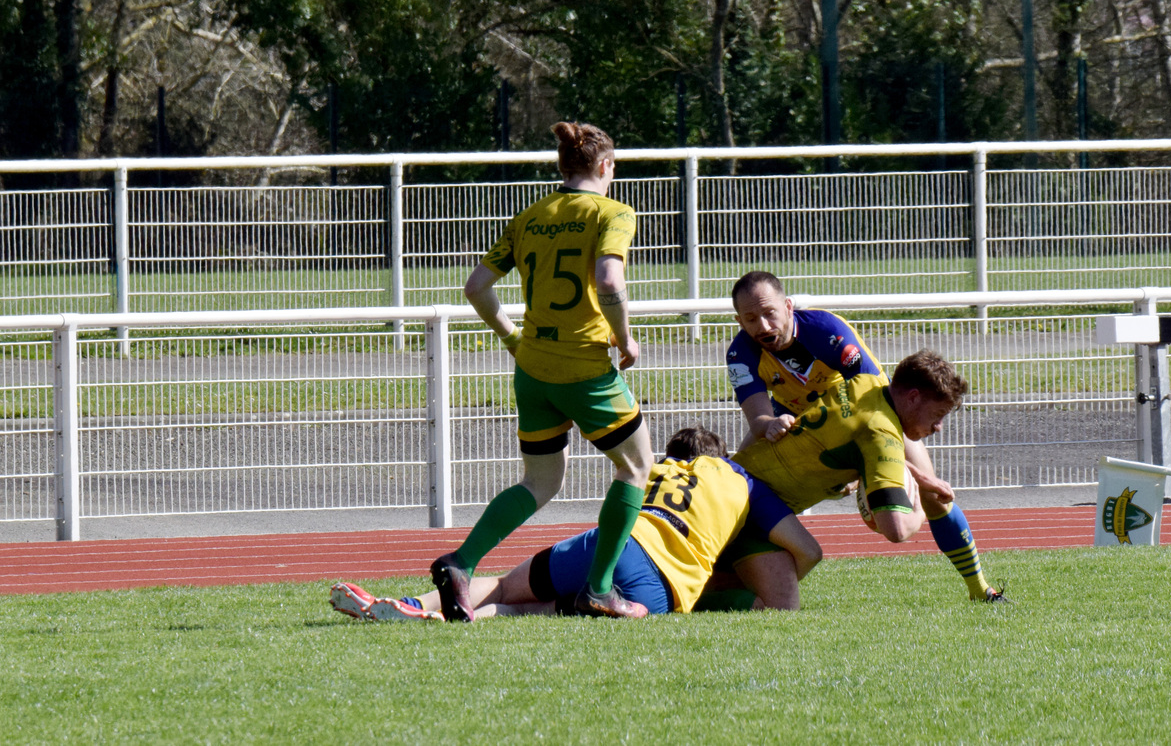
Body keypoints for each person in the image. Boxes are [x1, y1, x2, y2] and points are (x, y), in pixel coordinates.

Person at [428, 122, 654, 620]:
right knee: (637, 466)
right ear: (605, 166)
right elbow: (609, 278)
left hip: (532, 369)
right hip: (583, 367)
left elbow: (476, 287)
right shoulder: (613, 212)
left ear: (562, 167)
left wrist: (513, 339)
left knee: (541, 480)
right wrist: (625, 337)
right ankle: (599, 589)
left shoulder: (530, 217)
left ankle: (461, 562)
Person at [331, 425, 820, 621]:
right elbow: (808, 551)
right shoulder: (740, 480)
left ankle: (414, 605)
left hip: (613, 544)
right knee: (525, 611)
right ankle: (448, 620)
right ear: (720, 457)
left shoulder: (656, 467)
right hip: (660, 586)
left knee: (503, 586)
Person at [726, 275, 1003, 603]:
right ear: (739, 321)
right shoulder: (740, 351)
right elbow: (758, 419)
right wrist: (770, 424)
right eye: (750, 319)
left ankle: (980, 588)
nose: (762, 325)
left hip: (864, 413)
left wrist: (907, 475)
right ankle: (722, 583)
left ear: (788, 307)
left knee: (934, 494)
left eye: (769, 313)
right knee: (735, 486)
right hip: (798, 420)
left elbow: (873, 407)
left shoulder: (827, 331)